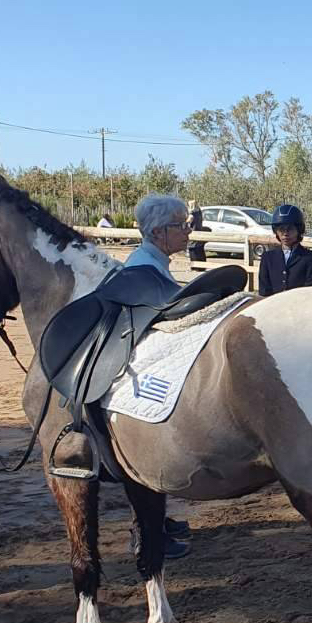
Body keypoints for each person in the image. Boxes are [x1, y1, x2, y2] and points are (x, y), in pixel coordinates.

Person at [123, 194, 196, 559]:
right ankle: (146, 533)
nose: (187, 231)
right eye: (180, 226)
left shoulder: (154, 262)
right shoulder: (143, 269)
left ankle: (159, 523)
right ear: (157, 232)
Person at [258, 203, 312, 296]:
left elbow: (311, 291)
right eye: (281, 229)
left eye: (290, 229)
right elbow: (264, 290)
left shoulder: (311, 258)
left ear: (299, 230)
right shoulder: (268, 258)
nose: (285, 234)